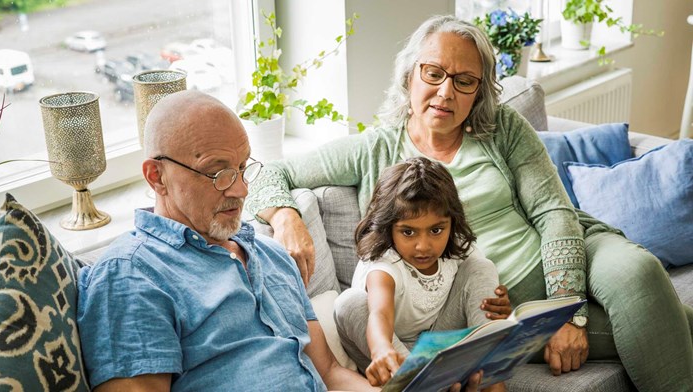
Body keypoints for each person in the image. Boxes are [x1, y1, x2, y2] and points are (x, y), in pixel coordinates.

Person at [244, 15, 693, 392]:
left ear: (478, 91)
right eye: (433, 73)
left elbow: (554, 213)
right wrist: (286, 216)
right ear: (409, 75)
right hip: (497, 305)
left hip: (574, 253)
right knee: (661, 323)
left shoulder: (503, 128)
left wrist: (568, 311)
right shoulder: (372, 149)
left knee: (638, 271)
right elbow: (264, 171)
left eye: (464, 81)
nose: (445, 92)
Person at [76, 90, 386, 392]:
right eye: (218, 173)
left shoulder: (271, 256)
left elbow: (331, 375)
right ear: (156, 176)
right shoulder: (132, 274)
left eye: (241, 169)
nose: (240, 190)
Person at [334, 157, 505, 391]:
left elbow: (479, 286)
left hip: (440, 345)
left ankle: (489, 381)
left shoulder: (456, 246)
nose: (423, 246)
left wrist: (496, 305)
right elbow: (379, 313)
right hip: (394, 356)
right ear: (388, 227)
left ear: (451, 223)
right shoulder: (384, 263)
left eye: (436, 230)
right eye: (408, 232)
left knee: (482, 267)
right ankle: (428, 384)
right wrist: (383, 349)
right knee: (349, 302)